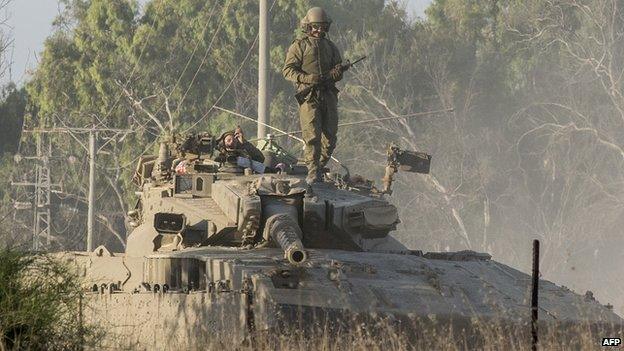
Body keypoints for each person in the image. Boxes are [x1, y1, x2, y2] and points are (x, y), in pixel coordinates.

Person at [282, 7, 345, 184]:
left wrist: (337, 72)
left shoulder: (331, 47)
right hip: (309, 96)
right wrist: (307, 78)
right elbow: (287, 71)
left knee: (330, 137)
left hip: (328, 94)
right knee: (311, 136)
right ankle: (312, 170)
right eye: (315, 27)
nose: (319, 30)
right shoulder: (299, 46)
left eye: (322, 27)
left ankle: (319, 165)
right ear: (308, 27)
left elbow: (338, 70)